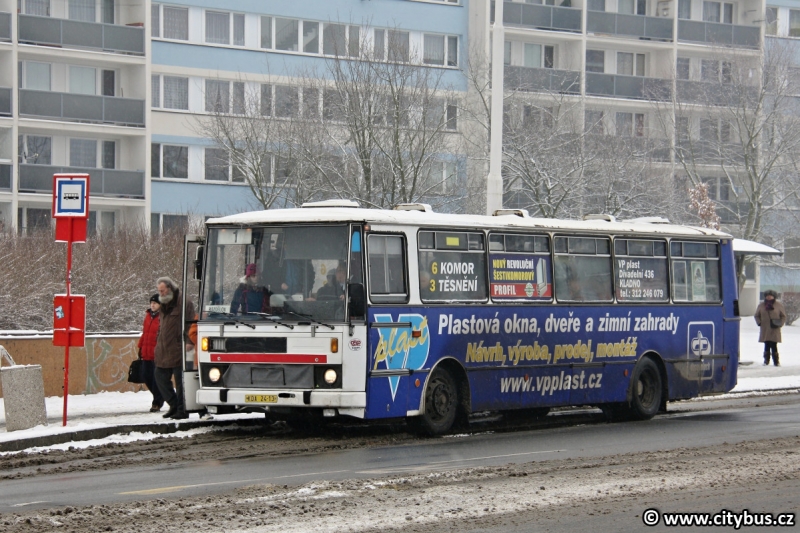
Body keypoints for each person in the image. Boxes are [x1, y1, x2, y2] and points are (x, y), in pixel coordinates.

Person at [154, 276, 195, 420]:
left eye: (163, 290)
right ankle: (173, 405)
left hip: (179, 347)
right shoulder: (163, 304)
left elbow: (191, 321)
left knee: (180, 381)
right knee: (159, 376)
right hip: (164, 348)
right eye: (159, 291)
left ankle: (182, 409)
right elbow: (162, 325)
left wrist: (190, 340)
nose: (161, 293)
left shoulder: (184, 302)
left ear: (170, 288)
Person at [137, 294, 164, 413]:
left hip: (157, 353)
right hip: (146, 352)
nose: (152, 305)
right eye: (151, 303)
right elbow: (145, 333)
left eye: (155, 303)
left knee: (155, 379)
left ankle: (156, 402)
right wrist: (140, 347)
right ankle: (163, 395)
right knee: (146, 376)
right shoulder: (148, 316)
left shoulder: (163, 316)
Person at [754, 290, 786, 366]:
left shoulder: (778, 305)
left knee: (774, 345)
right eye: (767, 296)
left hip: (775, 328)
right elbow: (756, 315)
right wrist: (759, 323)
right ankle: (766, 361)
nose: (769, 297)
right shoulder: (761, 305)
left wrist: (780, 323)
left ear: (774, 296)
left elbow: (783, 316)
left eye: (770, 296)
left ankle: (776, 362)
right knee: (766, 344)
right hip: (765, 328)